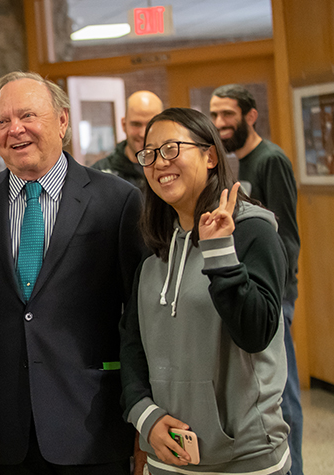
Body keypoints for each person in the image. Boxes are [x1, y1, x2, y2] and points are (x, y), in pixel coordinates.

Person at [0, 71, 146, 475]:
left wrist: (143, 417)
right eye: (2, 121)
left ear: (62, 122)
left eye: (28, 115)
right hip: (5, 436)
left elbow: (138, 324)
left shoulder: (116, 202)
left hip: (95, 428)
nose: (15, 129)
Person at [120, 107, 290, 474]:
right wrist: (144, 415)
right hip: (167, 456)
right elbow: (133, 347)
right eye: (148, 154)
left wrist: (219, 253)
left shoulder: (252, 233)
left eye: (171, 148)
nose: (158, 162)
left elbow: (256, 332)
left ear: (210, 155)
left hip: (245, 459)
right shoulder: (155, 252)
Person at [209, 84, 302, 475]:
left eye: (227, 114)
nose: (220, 123)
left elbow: (286, 238)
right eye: (214, 115)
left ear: (250, 116)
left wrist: (278, 297)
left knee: (283, 392)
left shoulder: (271, 159)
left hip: (271, 294)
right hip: (240, 290)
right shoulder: (231, 166)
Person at [91, 90, 163, 189]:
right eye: (136, 124)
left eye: (150, 125)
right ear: (124, 125)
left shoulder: (171, 168)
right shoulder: (100, 174)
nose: (143, 134)